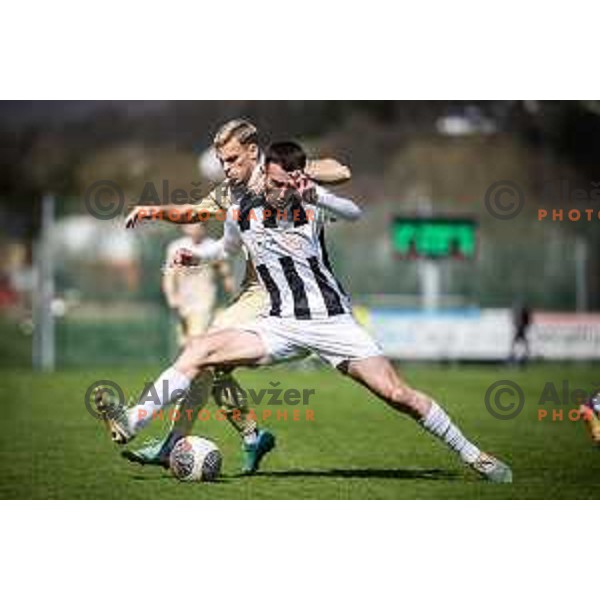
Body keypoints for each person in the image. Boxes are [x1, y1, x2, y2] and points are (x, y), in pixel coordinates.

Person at [98, 140, 512, 483]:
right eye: (272, 182)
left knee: (397, 395)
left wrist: (321, 193)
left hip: (333, 323)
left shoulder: (311, 204)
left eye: (282, 183)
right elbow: (223, 248)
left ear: (294, 179)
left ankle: (475, 455)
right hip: (278, 324)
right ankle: (133, 421)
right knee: (199, 349)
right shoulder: (243, 210)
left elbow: (356, 212)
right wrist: (196, 256)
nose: (275, 190)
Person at [118, 118, 352, 474]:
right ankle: (250, 436)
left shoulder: (279, 172)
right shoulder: (230, 193)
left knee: (203, 351)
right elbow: (194, 212)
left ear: (253, 152)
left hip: (278, 295)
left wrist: (301, 173)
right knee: (210, 364)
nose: (226, 168)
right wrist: (153, 210)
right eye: (221, 161)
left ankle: (160, 435)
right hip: (252, 292)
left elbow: (341, 170)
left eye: (231, 159)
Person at [162, 223, 234, 347]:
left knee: (198, 338)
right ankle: (198, 365)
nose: (195, 228)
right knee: (185, 342)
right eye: (191, 224)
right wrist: (172, 297)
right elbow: (169, 276)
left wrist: (231, 293)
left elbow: (224, 272)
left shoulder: (212, 246)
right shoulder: (176, 247)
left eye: (198, 225)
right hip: (183, 301)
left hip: (205, 299)